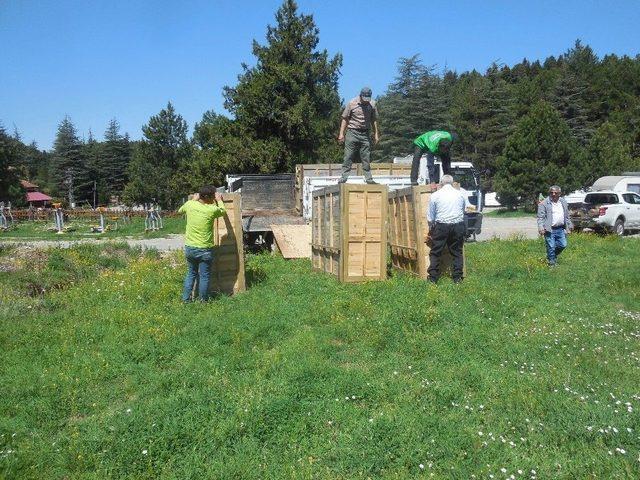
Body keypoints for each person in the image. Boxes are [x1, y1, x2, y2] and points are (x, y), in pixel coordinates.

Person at [178, 185, 227, 302]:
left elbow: (180, 210)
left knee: (191, 274)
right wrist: (219, 200)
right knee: (204, 276)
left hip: (190, 248)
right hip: (205, 250)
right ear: (210, 197)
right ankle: (203, 301)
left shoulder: (190, 205)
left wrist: (193, 200)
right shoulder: (211, 209)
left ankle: (186, 300)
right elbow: (223, 211)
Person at [426, 174, 466, 283]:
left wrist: (431, 228)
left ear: (441, 183)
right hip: (458, 224)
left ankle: (433, 278)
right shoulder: (460, 194)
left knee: (436, 252)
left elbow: (430, 216)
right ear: (452, 183)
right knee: (457, 252)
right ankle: (457, 278)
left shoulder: (435, 195)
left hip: (442, 226)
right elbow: (463, 210)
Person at [337, 87, 380, 184]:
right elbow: (344, 118)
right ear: (360, 95)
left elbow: (374, 120)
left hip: (365, 133)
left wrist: (376, 134)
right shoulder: (352, 103)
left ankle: (369, 178)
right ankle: (344, 177)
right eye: (364, 98)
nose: (366, 101)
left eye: (368, 98)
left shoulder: (372, 104)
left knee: (366, 157)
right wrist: (341, 134)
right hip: (352, 132)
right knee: (348, 156)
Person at [537, 185, 573, 267]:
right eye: (551, 192)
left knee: (563, 245)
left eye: (555, 193)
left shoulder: (563, 202)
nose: (553, 194)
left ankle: (550, 256)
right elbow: (540, 217)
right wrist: (541, 228)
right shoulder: (544, 203)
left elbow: (567, 215)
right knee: (551, 246)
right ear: (549, 193)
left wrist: (569, 225)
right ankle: (551, 264)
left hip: (560, 229)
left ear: (559, 193)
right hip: (549, 229)